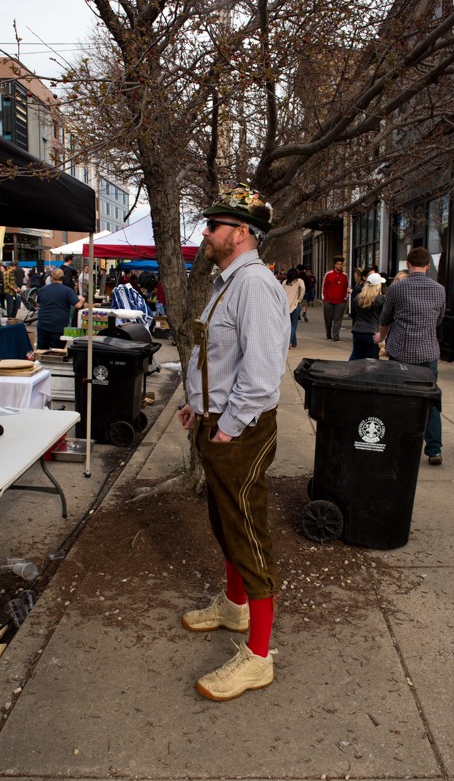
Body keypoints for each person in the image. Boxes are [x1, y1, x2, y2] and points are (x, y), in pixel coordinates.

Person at [178, 180, 289, 702]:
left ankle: (259, 657)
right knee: (224, 519)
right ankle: (233, 605)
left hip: (238, 429)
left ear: (242, 233)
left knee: (246, 529)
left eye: (216, 225)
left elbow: (263, 373)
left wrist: (227, 424)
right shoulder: (228, 280)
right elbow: (219, 358)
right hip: (218, 419)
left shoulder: (255, 285)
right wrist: (196, 404)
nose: (207, 231)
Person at [373, 247, 446, 465]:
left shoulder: (397, 288)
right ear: (428, 265)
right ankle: (434, 449)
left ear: (408, 264)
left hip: (401, 351)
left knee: (399, 401)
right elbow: (439, 319)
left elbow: (385, 318)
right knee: (430, 400)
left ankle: (400, 445)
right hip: (428, 352)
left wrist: (381, 338)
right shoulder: (439, 290)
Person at [36, 267, 84, 349]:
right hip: (58, 327)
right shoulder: (67, 291)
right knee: (56, 352)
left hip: (42, 325)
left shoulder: (42, 290)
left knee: (41, 352)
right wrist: (82, 300)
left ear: (51, 277)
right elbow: (78, 305)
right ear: (63, 278)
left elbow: (37, 304)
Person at [350, 271, 386, 360]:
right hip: (372, 333)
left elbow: (353, 314)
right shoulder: (381, 300)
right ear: (378, 285)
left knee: (358, 361)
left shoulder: (358, 298)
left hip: (357, 332)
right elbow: (384, 317)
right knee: (372, 362)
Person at [322, 255, 349, 341]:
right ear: (334, 264)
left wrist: (345, 298)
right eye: (338, 264)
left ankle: (336, 336)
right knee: (328, 320)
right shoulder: (328, 274)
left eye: (341, 264)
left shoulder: (345, 275)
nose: (339, 266)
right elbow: (324, 287)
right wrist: (324, 299)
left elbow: (346, 287)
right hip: (328, 301)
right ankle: (329, 335)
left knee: (338, 320)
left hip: (340, 301)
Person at [282, 267, 305, 348]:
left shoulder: (285, 282)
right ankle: (288, 342)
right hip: (295, 305)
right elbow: (303, 288)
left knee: (289, 324)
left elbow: (281, 292)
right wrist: (299, 299)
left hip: (286, 306)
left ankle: (294, 342)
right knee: (293, 325)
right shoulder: (299, 281)